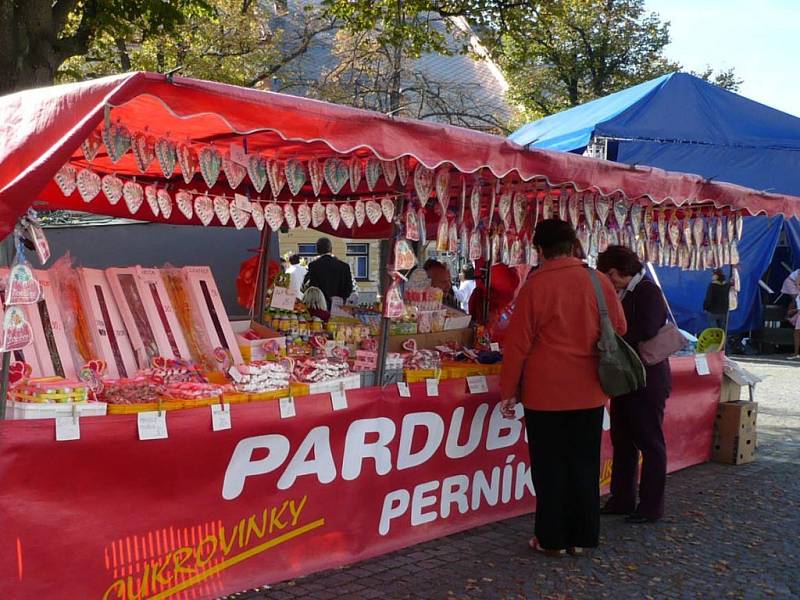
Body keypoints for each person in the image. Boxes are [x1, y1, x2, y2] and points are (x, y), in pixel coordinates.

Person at [500, 220, 626, 556]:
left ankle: (551, 539)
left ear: (539, 250)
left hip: (546, 393)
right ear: (573, 246)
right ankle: (581, 539)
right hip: (589, 391)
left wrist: (508, 391)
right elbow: (620, 327)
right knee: (584, 464)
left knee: (550, 467)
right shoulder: (599, 281)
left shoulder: (535, 286)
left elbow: (517, 345)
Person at [597, 245, 672, 524]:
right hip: (626, 378)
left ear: (616, 272)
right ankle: (622, 498)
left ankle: (651, 506)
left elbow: (647, 329)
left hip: (647, 379)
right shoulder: (624, 292)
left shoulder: (647, 291)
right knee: (623, 440)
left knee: (650, 443)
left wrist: (611, 339)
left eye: (608, 275)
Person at [304, 237, 353, 309]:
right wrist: (340, 299)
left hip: (320, 306)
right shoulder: (344, 266)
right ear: (331, 249)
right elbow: (348, 288)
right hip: (339, 306)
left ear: (317, 250)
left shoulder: (314, 265)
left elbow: (313, 287)